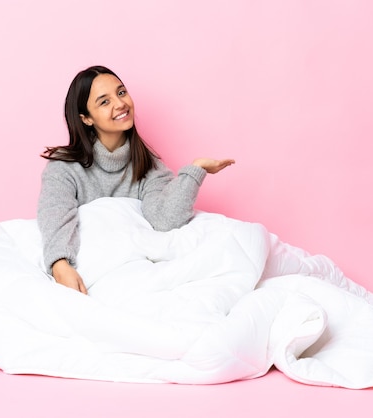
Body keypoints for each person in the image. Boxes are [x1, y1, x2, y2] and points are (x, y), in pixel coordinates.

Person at [37, 66, 235, 294]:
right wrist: (60, 264)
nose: (120, 104)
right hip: (90, 271)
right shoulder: (64, 167)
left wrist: (195, 171)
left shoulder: (146, 164)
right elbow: (54, 217)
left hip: (132, 275)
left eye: (121, 93)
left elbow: (164, 220)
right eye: (104, 102)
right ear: (86, 118)